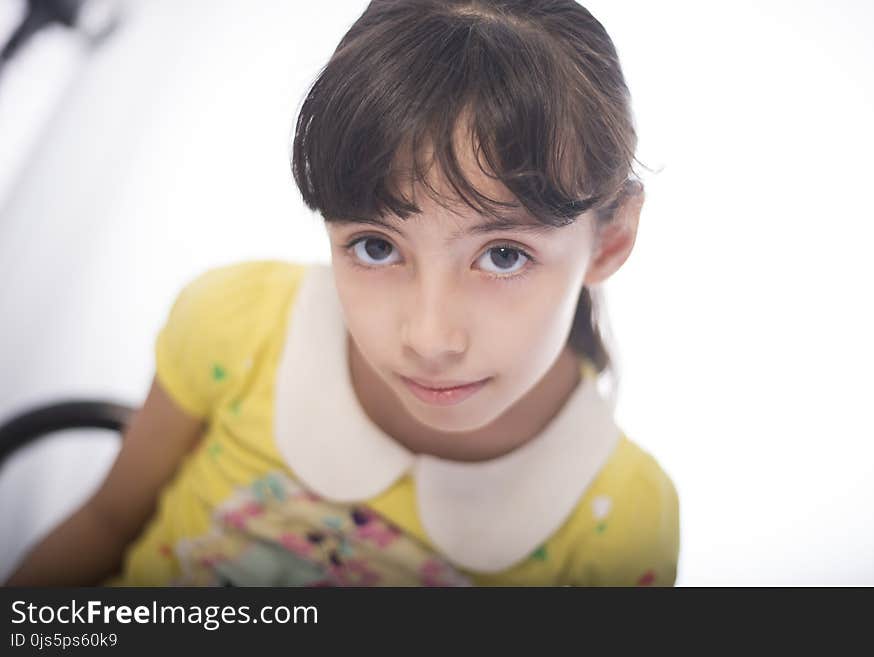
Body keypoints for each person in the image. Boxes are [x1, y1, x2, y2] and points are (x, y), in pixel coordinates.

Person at [4, 0, 678, 587]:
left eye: (503, 255)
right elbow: (107, 521)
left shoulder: (622, 521)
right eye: (377, 246)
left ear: (610, 239)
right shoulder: (237, 326)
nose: (429, 335)